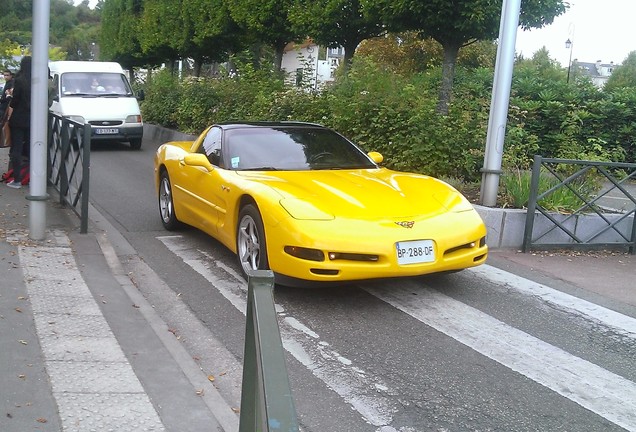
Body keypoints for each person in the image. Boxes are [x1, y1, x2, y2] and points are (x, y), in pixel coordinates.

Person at [6, 56, 31, 189]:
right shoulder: (37, 81)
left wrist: (11, 97)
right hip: (33, 120)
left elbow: (15, 102)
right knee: (32, 148)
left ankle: (17, 179)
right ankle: (33, 178)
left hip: (18, 119)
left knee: (17, 148)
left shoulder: (20, 80)